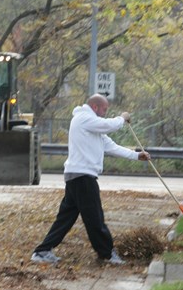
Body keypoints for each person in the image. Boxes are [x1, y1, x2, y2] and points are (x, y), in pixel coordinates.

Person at [31, 94, 150, 265]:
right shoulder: (84, 118)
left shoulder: (91, 125)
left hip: (76, 176)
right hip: (83, 177)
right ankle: (107, 254)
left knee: (66, 217)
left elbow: (110, 146)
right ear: (95, 107)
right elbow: (110, 125)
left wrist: (136, 155)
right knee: (95, 217)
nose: (104, 112)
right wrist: (122, 118)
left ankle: (42, 251)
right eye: (104, 109)